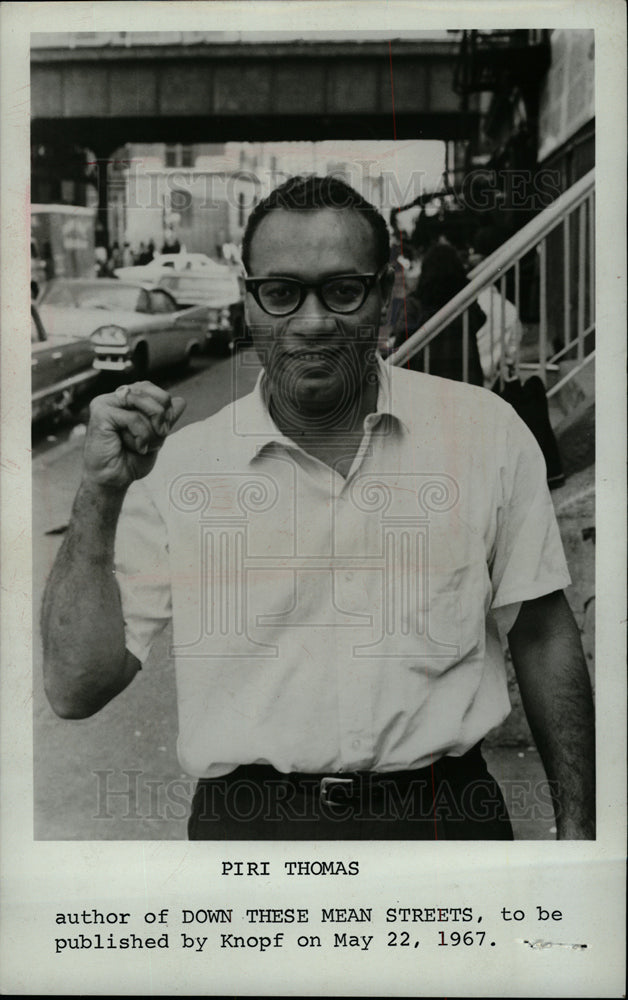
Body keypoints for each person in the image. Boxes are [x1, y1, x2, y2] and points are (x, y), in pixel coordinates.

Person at [41, 175, 595, 842]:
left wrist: (578, 834)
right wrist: (99, 496)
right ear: (249, 303)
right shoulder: (180, 469)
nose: (311, 322)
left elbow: (540, 630)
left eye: (342, 289)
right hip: (249, 835)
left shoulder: (486, 433)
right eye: (280, 293)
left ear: (386, 296)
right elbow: (75, 688)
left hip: (446, 823)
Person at [391, 242, 485, 386]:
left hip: (426, 381)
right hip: (465, 378)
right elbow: (480, 319)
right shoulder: (466, 302)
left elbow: (402, 342)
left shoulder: (415, 304)